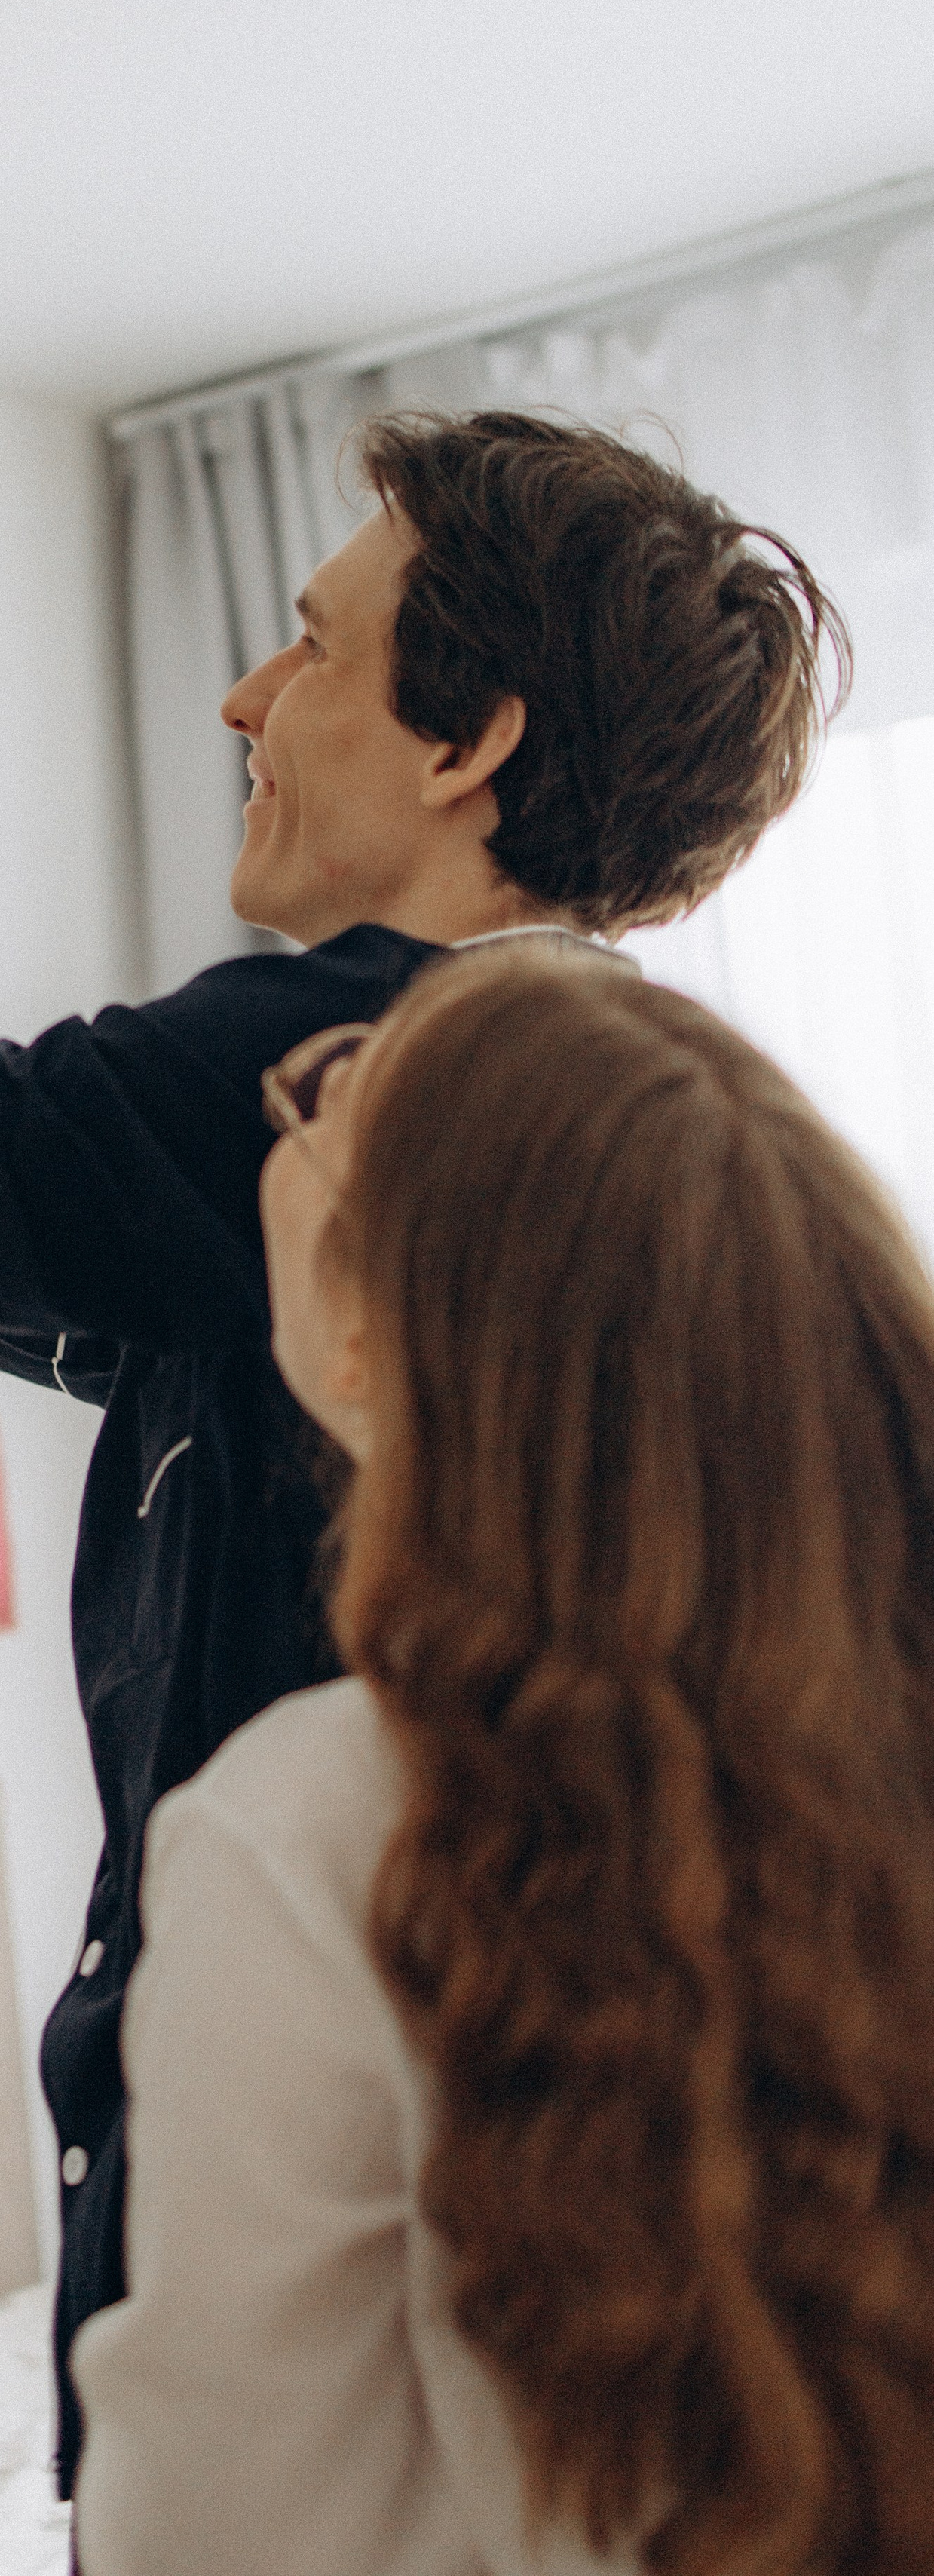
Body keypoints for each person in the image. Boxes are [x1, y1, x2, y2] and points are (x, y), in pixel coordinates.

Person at [0, 409, 845, 2493]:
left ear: (469, 747)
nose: (243, 694)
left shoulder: (341, 1071)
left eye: (312, 646)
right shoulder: (548, 1095)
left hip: (316, 2237)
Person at [72, 946, 934, 2576]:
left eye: (325, 1100)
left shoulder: (314, 1834)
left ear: (355, 1326)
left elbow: (220, 2532)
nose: (294, 1108)